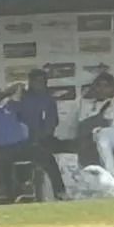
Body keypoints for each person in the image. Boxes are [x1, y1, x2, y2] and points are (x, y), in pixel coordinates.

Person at [12, 69, 67, 199]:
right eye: (37, 81)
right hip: (23, 141)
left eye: (43, 81)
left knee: (68, 147)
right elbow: (14, 119)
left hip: (44, 139)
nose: (40, 84)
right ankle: (57, 192)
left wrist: (44, 136)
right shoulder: (22, 98)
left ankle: (63, 192)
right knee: (45, 158)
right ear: (30, 82)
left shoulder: (48, 99)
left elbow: (52, 121)